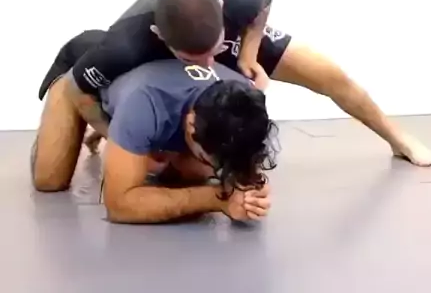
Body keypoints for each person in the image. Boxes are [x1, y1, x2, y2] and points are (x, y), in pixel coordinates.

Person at [50, 0, 431, 167]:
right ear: (159, 35)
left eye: (212, 52)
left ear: (221, 9)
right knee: (132, 100)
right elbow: (78, 92)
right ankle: (101, 137)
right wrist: (112, 132)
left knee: (330, 75)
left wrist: (248, 53)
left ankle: (398, 139)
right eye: (194, 59)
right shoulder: (126, 42)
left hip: (235, 37)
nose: (209, 66)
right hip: (161, 51)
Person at [32, 31, 277, 223]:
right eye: (207, 158)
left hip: (146, 87)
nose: (217, 170)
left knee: (190, 172)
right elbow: (120, 204)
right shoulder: (146, 101)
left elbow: (243, 164)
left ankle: (124, 133)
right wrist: (217, 199)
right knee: (50, 181)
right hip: (81, 72)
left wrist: (251, 191)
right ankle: (81, 118)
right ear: (190, 124)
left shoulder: (243, 101)